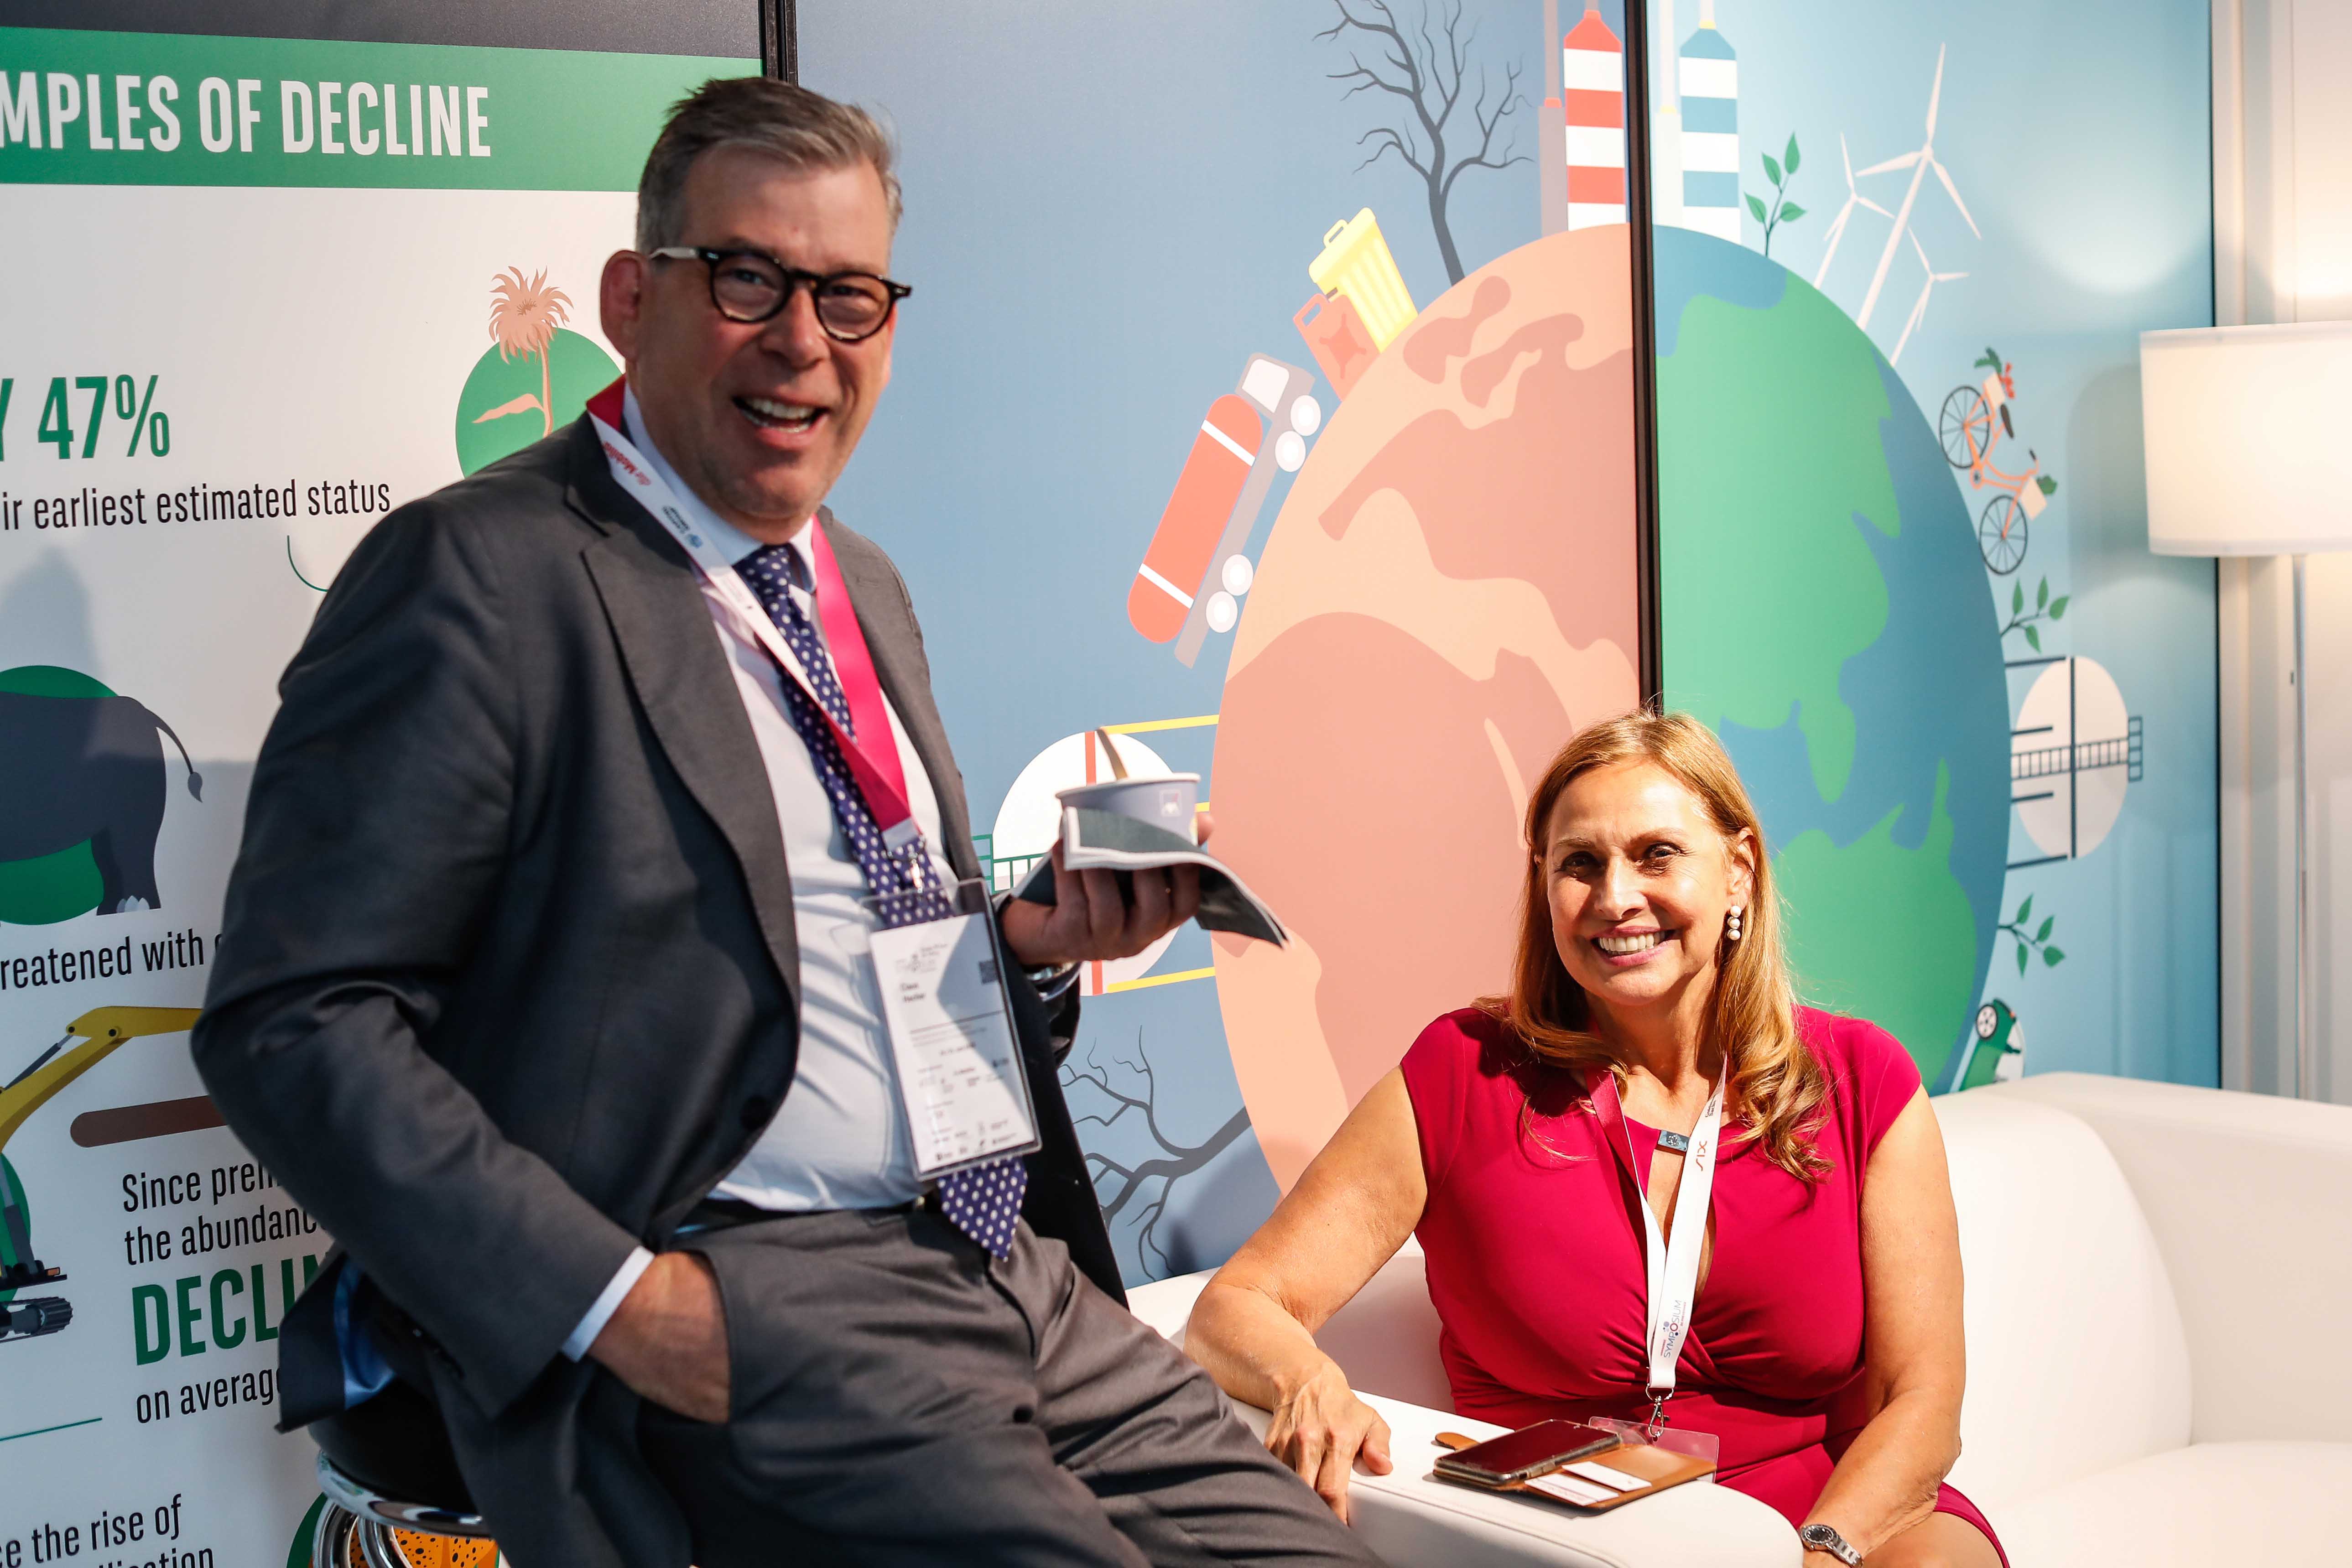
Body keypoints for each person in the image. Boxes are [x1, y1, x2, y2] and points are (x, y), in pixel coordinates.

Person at [194, 78, 1382, 1568]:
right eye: (747, 278)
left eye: (849, 295)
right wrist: (622, 1304)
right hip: (747, 1294)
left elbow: (832, 947)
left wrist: (1023, 944)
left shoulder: (858, 580)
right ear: (632, 298)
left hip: (998, 1268)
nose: (804, 340)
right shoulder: (480, 574)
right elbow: (292, 1018)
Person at [1184, 711, 2007, 1567]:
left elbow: (1923, 1399)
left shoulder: (1861, 1078)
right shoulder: (1462, 1072)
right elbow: (1233, 1306)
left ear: (1738, 870)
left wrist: (1819, 1553)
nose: (1616, 898)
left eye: (1657, 854)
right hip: (1568, 1537)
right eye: (1580, 863)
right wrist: (1308, 1380)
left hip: (1840, 1519)